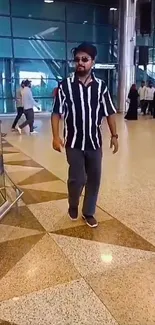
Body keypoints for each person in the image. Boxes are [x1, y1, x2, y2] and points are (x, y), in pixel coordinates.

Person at [51, 42, 118, 228]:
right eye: (77, 60)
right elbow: (56, 113)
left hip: (94, 143)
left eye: (85, 59)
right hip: (73, 142)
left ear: (93, 62)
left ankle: (88, 212)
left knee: (94, 179)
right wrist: (56, 137)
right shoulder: (65, 86)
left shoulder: (101, 87)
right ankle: (73, 204)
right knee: (78, 178)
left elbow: (109, 112)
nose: (80, 63)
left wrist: (115, 135)